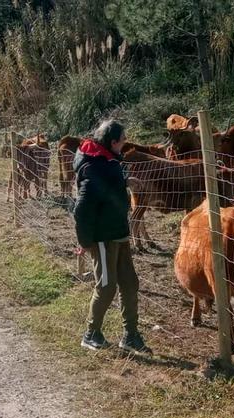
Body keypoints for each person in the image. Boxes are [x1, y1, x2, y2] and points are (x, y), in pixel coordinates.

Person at [72, 120, 150, 353]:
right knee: (107, 286)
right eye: (123, 140)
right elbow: (82, 208)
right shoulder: (94, 166)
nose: (125, 144)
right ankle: (91, 334)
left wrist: (125, 182)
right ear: (113, 141)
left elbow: (106, 186)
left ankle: (130, 335)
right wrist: (86, 242)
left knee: (129, 283)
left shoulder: (107, 160)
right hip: (103, 237)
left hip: (119, 232)